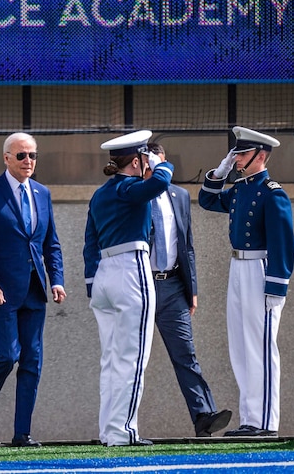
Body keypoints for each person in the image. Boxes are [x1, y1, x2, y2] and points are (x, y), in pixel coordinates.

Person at [0, 132, 66, 448]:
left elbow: (50, 242)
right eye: (21, 156)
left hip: (35, 289)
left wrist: (57, 279)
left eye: (33, 156)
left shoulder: (42, 193)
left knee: (32, 360)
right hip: (2, 290)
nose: (28, 161)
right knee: (8, 354)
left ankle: (22, 433)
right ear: (6, 158)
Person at [198, 126, 294, 438]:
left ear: (261, 155)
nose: (236, 158)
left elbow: (283, 243)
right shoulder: (240, 190)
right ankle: (250, 418)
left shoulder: (272, 193)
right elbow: (208, 201)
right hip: (237, 267)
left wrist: (276, 286)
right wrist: (219, 172)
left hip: (261, 269)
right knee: (240, 346)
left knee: (261, 348)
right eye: (236, 153)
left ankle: (265, 421)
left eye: (241, 153)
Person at [82, 130, 173, 447]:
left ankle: (109, 431)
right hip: (131, 268)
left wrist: (92, 282)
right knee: (132, 358)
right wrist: (160, 163)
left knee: (111, 359)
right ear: (137, 160)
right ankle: (123, 432)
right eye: (143, 159)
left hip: (104, 273)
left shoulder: (101, 193)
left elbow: (90, 241)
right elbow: (161, 183)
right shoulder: (131, 187)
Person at [144, 143, 232, 438]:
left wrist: (191, 288)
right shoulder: (131, 194)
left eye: (159, 162)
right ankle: (122, 425)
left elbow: (187, 245)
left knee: (186, 355)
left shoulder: (179, 196)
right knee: (131, 358)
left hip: (172, 286)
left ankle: (203, 416)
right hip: (139, 285)